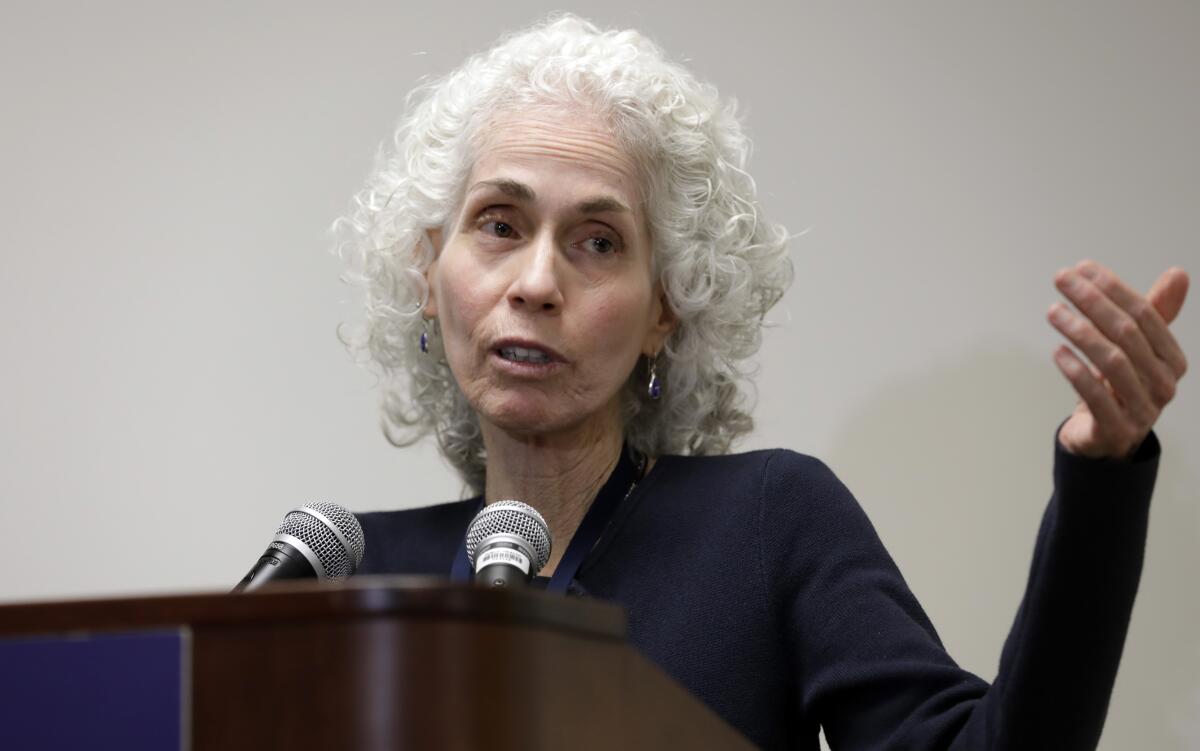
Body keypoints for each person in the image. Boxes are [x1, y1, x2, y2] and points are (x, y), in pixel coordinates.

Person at [334, 14, 1189, 750]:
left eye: (598, 241)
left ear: (667, 308)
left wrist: (1099, 485)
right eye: (499, 224)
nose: (536, 282)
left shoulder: (766, 523)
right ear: (427, 269)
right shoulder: (344, 569)